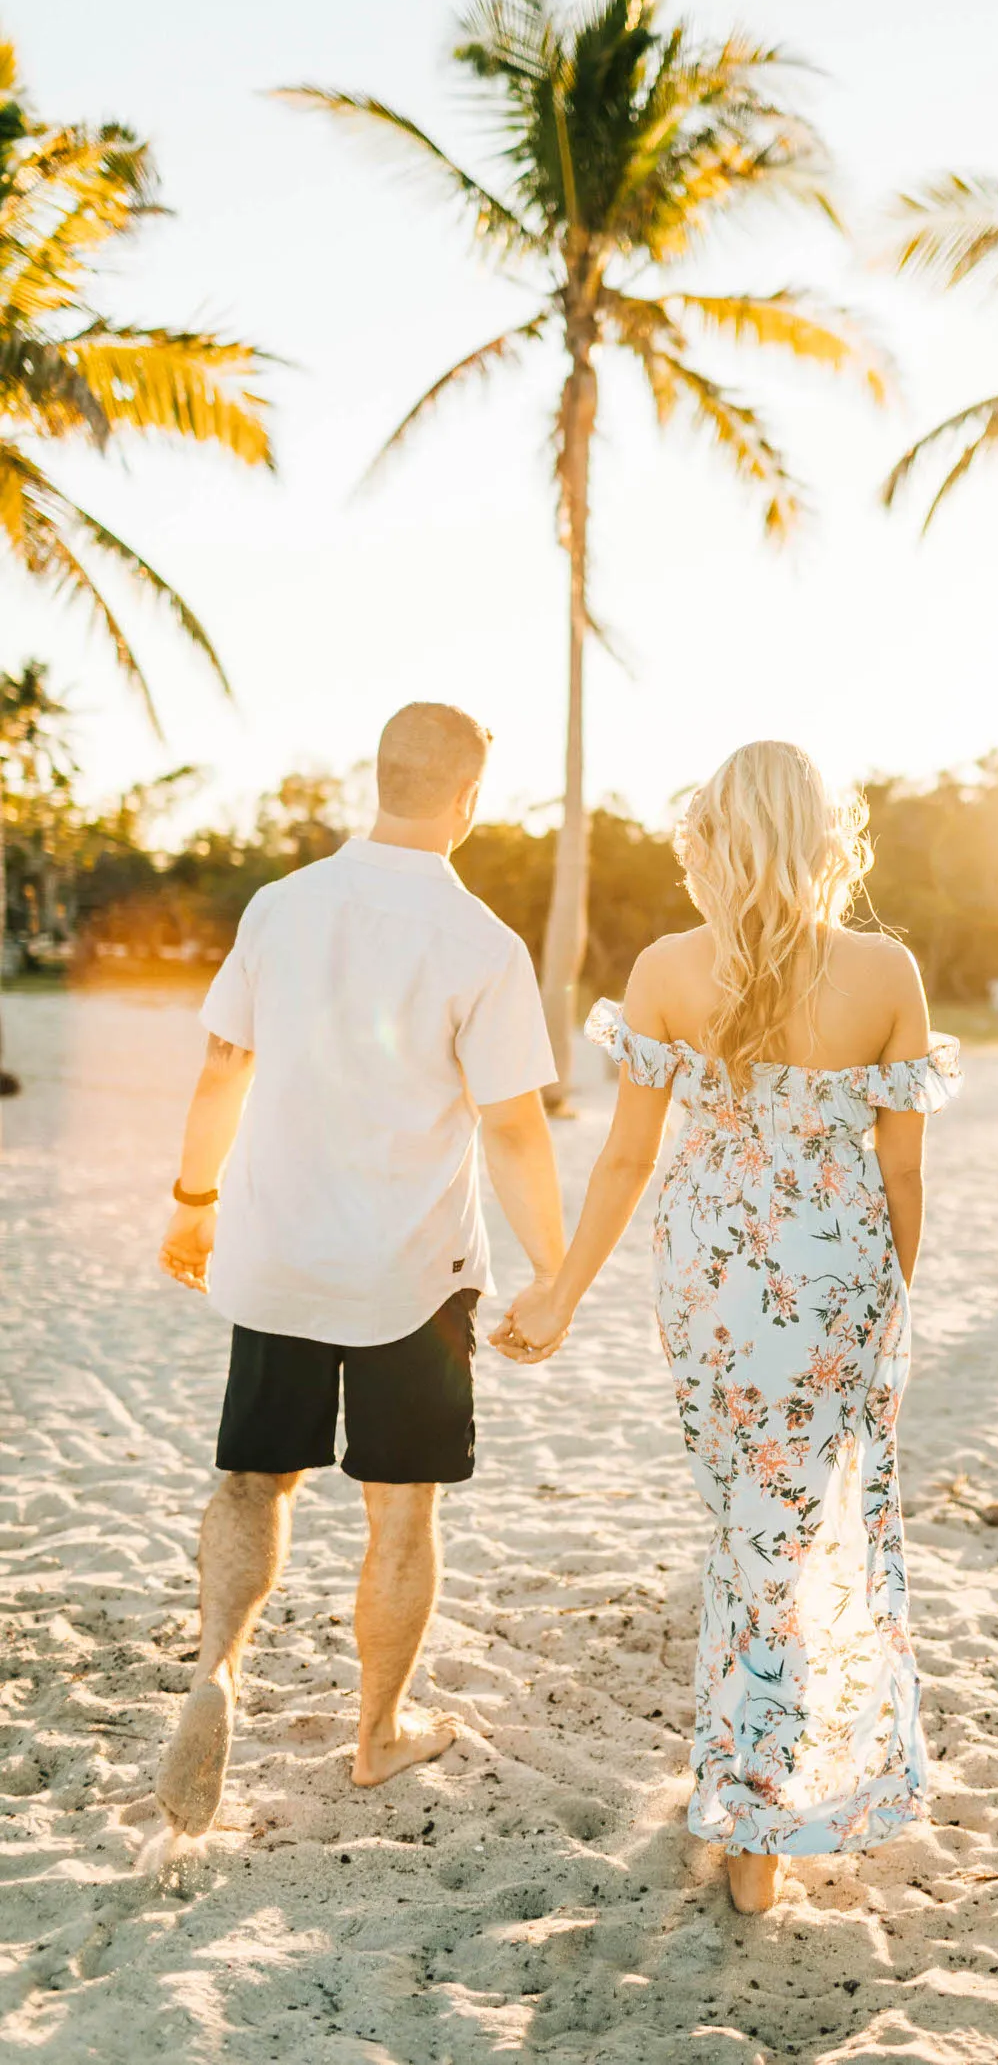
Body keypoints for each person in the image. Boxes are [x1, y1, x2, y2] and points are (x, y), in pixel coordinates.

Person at [494, 741, 960, 1914]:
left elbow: (626, 1160)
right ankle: (761, 1806)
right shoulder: (884, 970)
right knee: (800, 1532)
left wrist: (559, 1292)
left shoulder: (664, 968)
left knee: (745, 1531)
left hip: (710, 1285)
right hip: (840, 1284)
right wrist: (886, 1313)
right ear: (823, 839)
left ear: (715, 838)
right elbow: (902, 1176)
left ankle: (751, 1814)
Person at [154, 702, 564, 1852]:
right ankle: (378, 1733)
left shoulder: (281, 908)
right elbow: (516, 1128)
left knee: (251, 1484)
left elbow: (223, 1064)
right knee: (401, 1513)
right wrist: (553, 1271)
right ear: (469, 801)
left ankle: (219, 1671)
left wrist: (193, 1203)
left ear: (376, 779)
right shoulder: (481, 941)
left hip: (277, 1250)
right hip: (413, 1276)